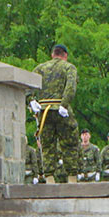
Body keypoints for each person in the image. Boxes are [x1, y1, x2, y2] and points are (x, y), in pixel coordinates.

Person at [35, 44, 79, 183]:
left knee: (47, 146)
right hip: (61, 110)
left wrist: (31, 101)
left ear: (52, 54)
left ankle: (49, 180)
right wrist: (64, 104)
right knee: (69, 144)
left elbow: (29, 87)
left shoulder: (40, 68)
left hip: (44, 111)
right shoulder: (68, 67)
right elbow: (71, 87)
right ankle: (72, 180)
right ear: (65, 55)